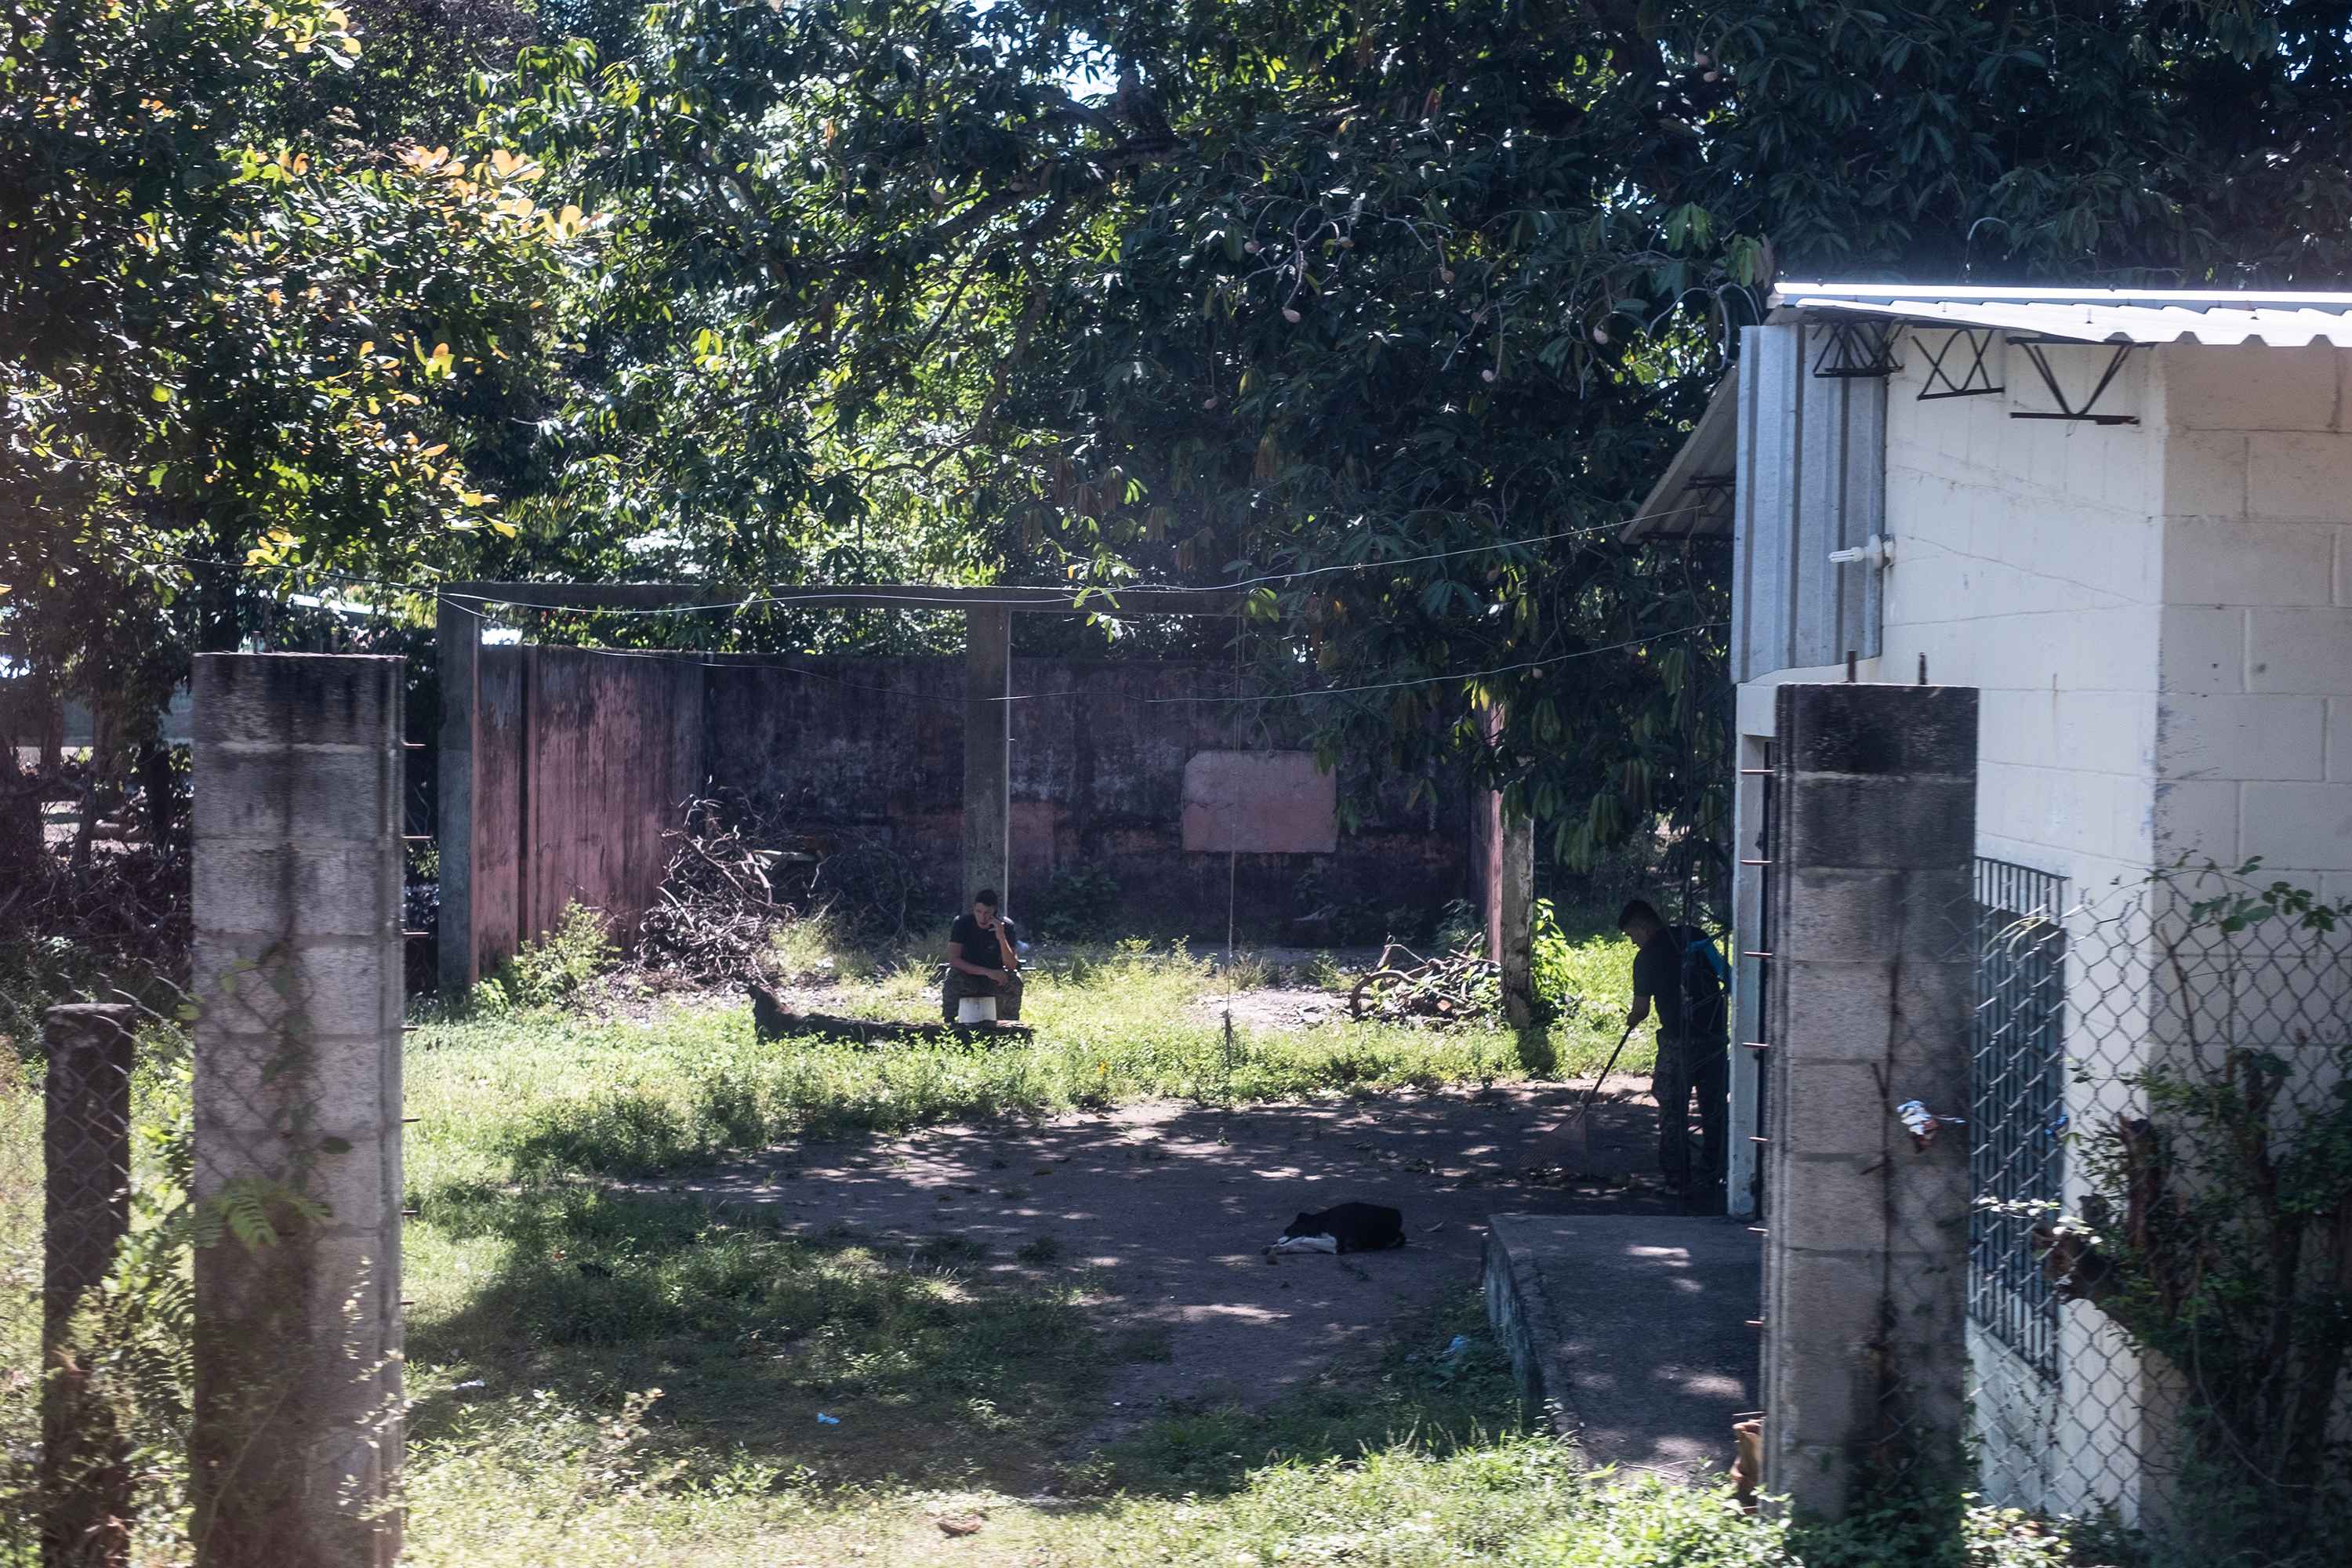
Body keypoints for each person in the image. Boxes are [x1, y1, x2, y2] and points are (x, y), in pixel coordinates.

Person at [1620, 898, 1728, 1207]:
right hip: (1715, 1036)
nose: (1633, 941)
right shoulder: (1694, 934)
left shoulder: (1645, 959)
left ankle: (1677, 1180)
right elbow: (1724, 972)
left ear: (1642, 926)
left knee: (1672, 1110)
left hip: (1677, 1043)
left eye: (1631, 935)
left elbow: (1640, 1010)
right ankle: (1716, 1171)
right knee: (1715, 1107)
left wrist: (1632, 1019)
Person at [942, 887, 1022, 1024]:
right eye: (978, 912)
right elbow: (954, 959)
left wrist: (1001, 937)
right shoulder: (962, 923)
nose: (982, 917)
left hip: (995, 979)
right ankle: (950, 1023)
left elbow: (1011, 965)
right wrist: (987, 972)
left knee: (1014, 981)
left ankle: (1010, 1027)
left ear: (994, 911)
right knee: (952, 976)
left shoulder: (1006, 926)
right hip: (968, 975)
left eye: (987, 913)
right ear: (974, 909)